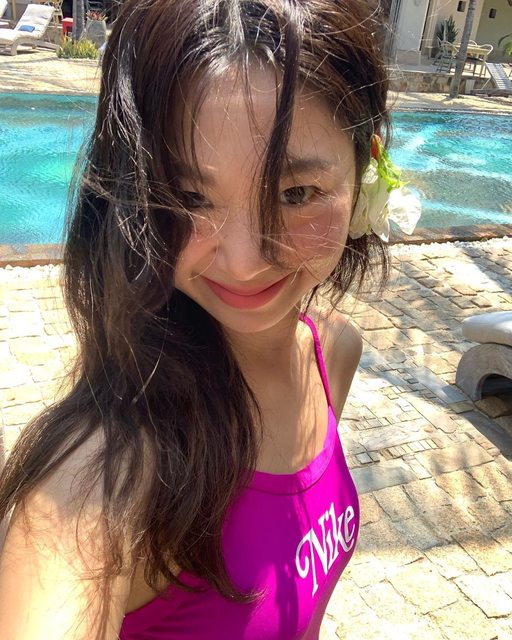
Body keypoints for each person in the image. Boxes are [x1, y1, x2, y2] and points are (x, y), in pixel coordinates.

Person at [0, 1, 420, 638]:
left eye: (296, 193)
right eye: (189, 197)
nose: (245, 262)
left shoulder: (333, 353)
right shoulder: (105, 472)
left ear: (365, 166)